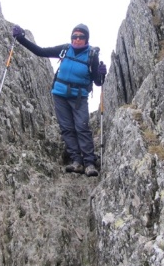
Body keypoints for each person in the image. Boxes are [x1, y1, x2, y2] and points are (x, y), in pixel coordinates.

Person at [12, 23, 107, 177]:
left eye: (81, 37)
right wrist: (21, 39)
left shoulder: (91, 56)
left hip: (79, 97)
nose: (76, 39)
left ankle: (89, 163)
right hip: (60, 95)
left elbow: (98, 82)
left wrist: (102, 73)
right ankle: (77, 162)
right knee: (67, 128)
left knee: (82, 127)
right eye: (74, 36)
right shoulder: (65, 49)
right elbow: (41, 51)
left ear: (86, 39)